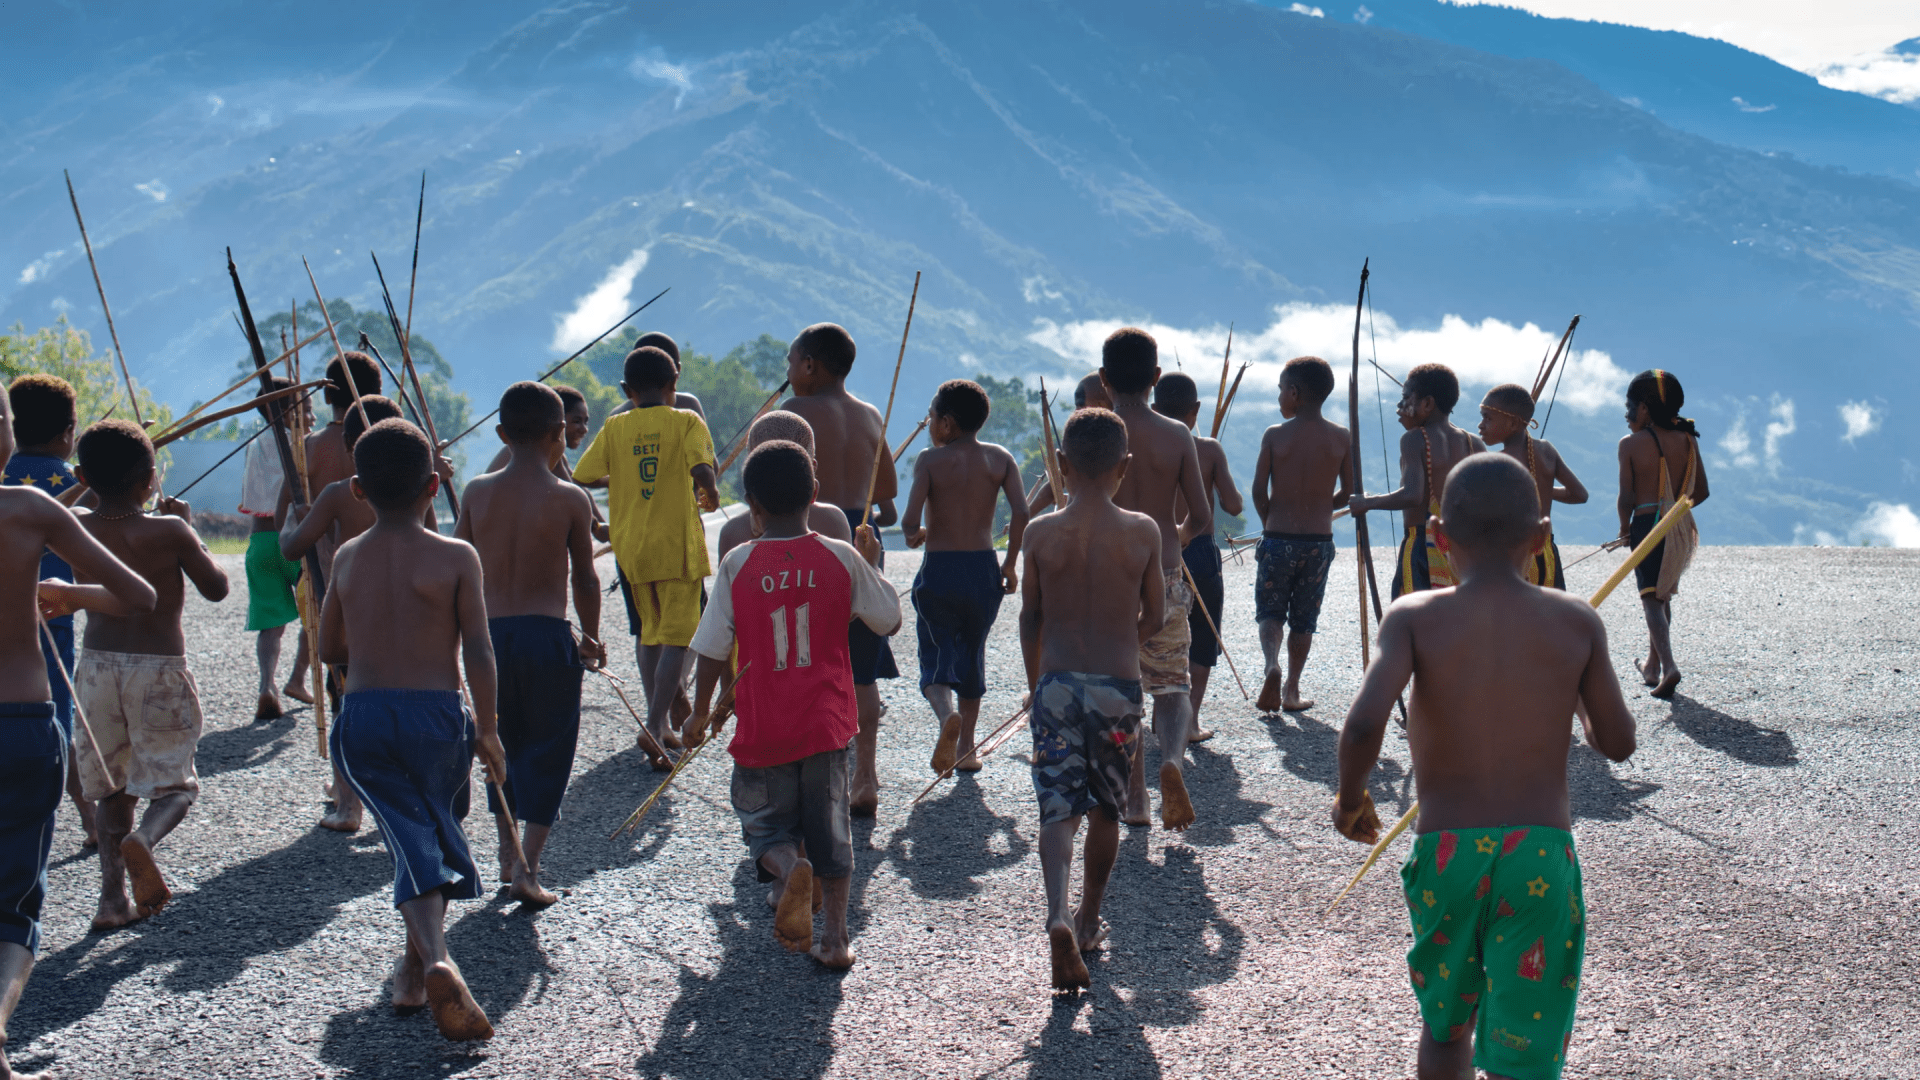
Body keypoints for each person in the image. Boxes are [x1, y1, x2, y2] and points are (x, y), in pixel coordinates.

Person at [1333, 452, 1638, 1080]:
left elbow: (1364, 722)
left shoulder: (1415, 616)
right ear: (1542, 536)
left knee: (1446, 1029)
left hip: (1447, 851)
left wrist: (1349, 797)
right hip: (1539, 854)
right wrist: (1579, 707)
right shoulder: (1575, 620)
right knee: (1525, 1042)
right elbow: (1618, 741)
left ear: (1440, 535)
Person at [322, 418, 505, 1042]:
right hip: (439, 714)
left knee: (410, 837)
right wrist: (490, 729)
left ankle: (414, 968)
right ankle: (434, 959)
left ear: (357, 489)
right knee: (425, 831)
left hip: (366, 717)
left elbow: (327, 648)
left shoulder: (348, 556)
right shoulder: (457, 556)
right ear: (434, 485)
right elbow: (479, 648)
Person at [688, 440, 901, 969]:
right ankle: (834, 938)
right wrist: (870, 566)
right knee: (832, 833)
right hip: (825, 726)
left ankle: (787, 870)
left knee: (764, 825)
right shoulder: (840, 555)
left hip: (763, 726)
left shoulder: (739, 562)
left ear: (753, 508)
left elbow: (713, 648)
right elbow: (888, 619)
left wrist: (699, 712)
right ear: (816, 494)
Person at [0, 381, 156, 1080]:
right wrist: (63, 592)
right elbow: (138, 593)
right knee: (14, 902)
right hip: (22, 723)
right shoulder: (31, 509)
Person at [1018, 408, 1162, 990]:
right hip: (1116, 686)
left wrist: (1037, 684)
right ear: (1123, 468)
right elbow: (1154, 615)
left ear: (1061, 465)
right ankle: (1088, 917)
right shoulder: (1142, 531)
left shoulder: (1039, 532)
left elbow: (1031, 618)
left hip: (1055, 685)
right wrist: (1126, 643)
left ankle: (1054, 910)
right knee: (1108, 805)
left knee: (1058, 808)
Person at [69, 420, 231, 930]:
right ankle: (146, 839)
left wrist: (91, 479)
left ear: (83, 475)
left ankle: (111, 901)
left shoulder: (74, 524)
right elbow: (217, 588)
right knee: (176, 786)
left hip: (95, 669)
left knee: (112, 792)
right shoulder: (170, 530)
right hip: (158, 672)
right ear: (150, 480)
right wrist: (190, 529)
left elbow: (61, 503)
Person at [455, 382, 604, 907]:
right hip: (546, 637)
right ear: (560, 436)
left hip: (488, 640)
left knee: (503, 743)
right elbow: (585, 580)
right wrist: (591, 638)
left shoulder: (476, 492)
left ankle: (505, 852)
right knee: (550, 747)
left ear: (500, 434)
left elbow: (460, 569)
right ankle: (528, 864)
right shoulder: (571, 498)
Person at [573, 345, 719, 763]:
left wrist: (621, 475)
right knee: (679, 635)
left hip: (632, 549)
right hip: (676, 547)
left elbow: (583, 475)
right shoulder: (687, 420)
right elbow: (701, 469)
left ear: (625, 389)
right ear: (674, 383)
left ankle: (660, 725)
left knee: (651, 633)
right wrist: (711, 490)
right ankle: (657, 724)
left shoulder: (616, 427)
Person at [778, 323, 899, 815]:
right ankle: (865, 776)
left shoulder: (794, 415)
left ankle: (811, 777)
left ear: (809, 365)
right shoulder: (871, 415)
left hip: (812, 539)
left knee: (806, 657)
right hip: (865, 539)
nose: (787, 375)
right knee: (861, 668)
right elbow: (887, 506)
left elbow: (773, 490)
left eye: (790, 364)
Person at [281, 395, 410, 833]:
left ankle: (349, 805)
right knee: (396, 702)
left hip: (352, 609)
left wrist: (292, 520)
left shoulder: (340, 493)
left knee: (346, 704)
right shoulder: (416, 491)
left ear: (352, 446)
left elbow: (293, 546)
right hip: (402, 612)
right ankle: (398, 802)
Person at [1099, 328, 1210, 831]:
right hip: (1164, 570)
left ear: (1103, 380)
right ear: (1157, 378)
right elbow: (1202, 516)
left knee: (1124, 685)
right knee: (1172, 683)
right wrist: (1178, 539)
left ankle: (1138, 801)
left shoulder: (1096, 433)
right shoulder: (1177, 434)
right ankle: (1173, 761)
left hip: (1109, 575)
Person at [901, 379, 1028, 775]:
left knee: (936, 654)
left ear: (947, 424)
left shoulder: (929, 461)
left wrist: (915, 535)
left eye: (932, 417)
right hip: (982, 570)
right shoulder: (1000, 458)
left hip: (940, 570)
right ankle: (967, 748)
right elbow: (1022, 513)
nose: (930, 424)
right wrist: (1009, 564)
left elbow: (908, 521)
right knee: (972, 655)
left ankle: (945, 716)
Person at [4, 374, 99, 844]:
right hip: (52, 623)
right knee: (55, 725)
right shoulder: (73, 483)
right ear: (68, 434)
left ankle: (86, 818)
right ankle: (88, 820)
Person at [1249, 357, 1352, 715]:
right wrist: (1323, 507)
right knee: (1305, 619)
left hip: (1278, 536)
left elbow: (1258, 491)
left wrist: (1269, 520)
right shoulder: (1341, 437)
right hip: (1319, 542)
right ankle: (1291, 689)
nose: (1279, 397)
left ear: (1294, 392)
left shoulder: (1276, 435)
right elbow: (1349, 492)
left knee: (1270, 612)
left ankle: (1271, 665)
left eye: (1280, 389)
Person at [1150, 373, 1243, 741]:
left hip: (1155, 549)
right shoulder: (1209, 449)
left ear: (1155, 409)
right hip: (1199, 548)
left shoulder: (1142, 446)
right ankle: (1188, 722)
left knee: (1156, 631)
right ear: (1196, 411)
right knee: (1203, 635)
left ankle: (1160, 714)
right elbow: (1233, 506)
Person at [1350, 363, 1484, 598]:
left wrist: (1368, 502)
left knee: (1416, 624)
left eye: (1405, 398)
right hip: (1465, 551)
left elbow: (1413, 495)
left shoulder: (1414, 439)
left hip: (1422, 545)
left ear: (1427, 404)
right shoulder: (1474, 444)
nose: (1400, 407)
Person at [1617, 369, 1708, 700]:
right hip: (1679, 528)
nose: (1627, 417)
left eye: (1629, 409)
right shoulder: (1687, 440)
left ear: (1642, 409)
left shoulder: (1630, 444)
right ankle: (1652, 666)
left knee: (1650, 599)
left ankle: (1669, 666)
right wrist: (1675, 514)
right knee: (1662, 593)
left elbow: (1626, 497)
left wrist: (1625, 529)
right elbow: (1702, 492)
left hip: (1646, 526)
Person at [238, 374, 314, 720]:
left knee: (272, 624)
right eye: (307, 410)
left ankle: (266, 684)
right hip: (293, 540)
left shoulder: (255, 444)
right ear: (288, 413)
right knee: (315, 613)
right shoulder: (302, 444)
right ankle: (297, 678)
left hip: (260, 543)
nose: (312, 418)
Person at [1478, 384, 1588, 590]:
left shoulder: (1498, 462)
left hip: (1515, 557)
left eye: (1487, 418)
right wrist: (1543, 488)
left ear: (1512, 423)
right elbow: (1579, 494)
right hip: (1547, 553)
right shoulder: (1546, 450)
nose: (1480, 425)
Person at [714, 412, 853, 562]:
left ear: (750, 471)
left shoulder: (733, 532)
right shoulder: (832, 521)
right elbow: (849, 582)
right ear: (812, 470)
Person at [1025, 373, 1111, 517]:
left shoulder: (1117, 440)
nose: (1077, 412)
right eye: (1076, 406)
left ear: (1101, 404)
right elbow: (1056, 485)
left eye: (1081, 405)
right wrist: (1026, 516)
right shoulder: (1084, 439)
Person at [482, 383, 593, 476]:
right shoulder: (536, 452)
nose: (584, 429)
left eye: (586, 422)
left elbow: (575, 480)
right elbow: (573, 493)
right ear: (559, 422)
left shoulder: (551, 454)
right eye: (577, 421)